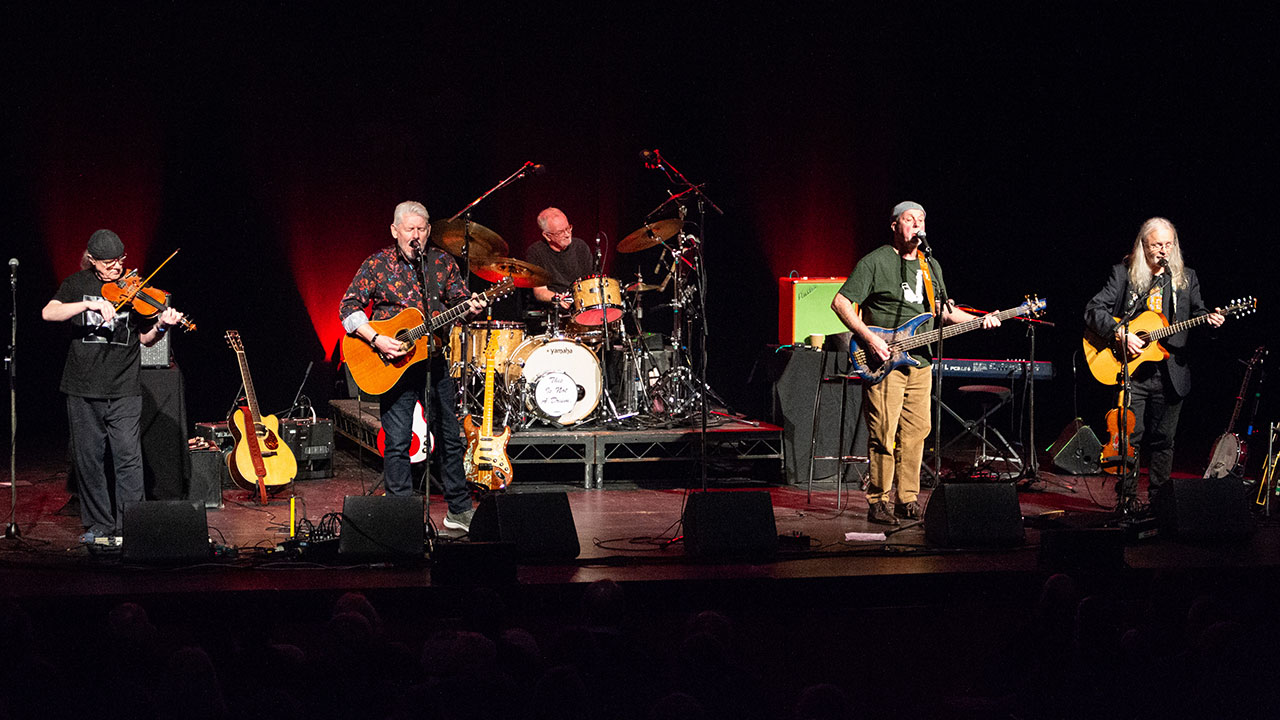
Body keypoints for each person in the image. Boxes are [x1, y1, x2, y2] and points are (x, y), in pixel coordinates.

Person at [831, 201, 1000, 525]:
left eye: (921, 220)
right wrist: (871, 338)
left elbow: (945, 311)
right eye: (909, 220)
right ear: (895, 225)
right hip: (883, 360)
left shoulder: (929, 265)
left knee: (917, 431)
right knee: (883, 431)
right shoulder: (875, 262)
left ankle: (906, 499)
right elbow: (840, 302)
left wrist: (981, 321)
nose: (916, 225)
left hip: (920, 361)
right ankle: (878, 500)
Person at [340, 201, 487, 532]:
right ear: (395, 231)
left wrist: (471, 307)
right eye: (409, 229)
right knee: (397, 441)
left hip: (433, 362)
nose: (415, 236)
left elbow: (459, 303)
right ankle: (401, 514)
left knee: (450, 437)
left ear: (429, 231)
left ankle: (459, 509)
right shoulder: (377, 265)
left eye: (421, 229)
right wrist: (377, 338)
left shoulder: (440, 263)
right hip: (390, 366)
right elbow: (347, 308)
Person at [42, 229, 185, 543]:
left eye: (119, 261)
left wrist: (161, 324)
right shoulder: (76, 284)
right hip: (82, 387)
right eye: (107, 264)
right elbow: (48, 312)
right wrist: (87, 306)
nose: (115, 269)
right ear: (92, 261)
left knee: (129, 460)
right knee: (89, 460)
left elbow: (146, 340)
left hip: (124, 387)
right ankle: (100, 525)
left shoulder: (137, 288)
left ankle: (132, 526)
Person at [1084, 217, 1223, 514]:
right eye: (1157, 244)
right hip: (1131, 370)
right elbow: (1094, 311)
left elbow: (1198, 313)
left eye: (1169, 244)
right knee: (1130, 436)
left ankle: (1160, 501)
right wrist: (1121, 333)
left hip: (1171, 372)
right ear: (1143, 245)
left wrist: (1211, 320)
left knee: (1164, 439)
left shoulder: (1186, 277)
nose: (1164, 250)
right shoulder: (1123, 275)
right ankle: (1128, 499)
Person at [526, 207, 595, 314]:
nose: (567, 234)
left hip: (582, 307)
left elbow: (590, 283)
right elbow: (539, 291)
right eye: (560, 232)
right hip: (555, 312)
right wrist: (558, 298)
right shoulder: (536, 252)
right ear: (547, 236)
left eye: (568, 228)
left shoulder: (580, 247)